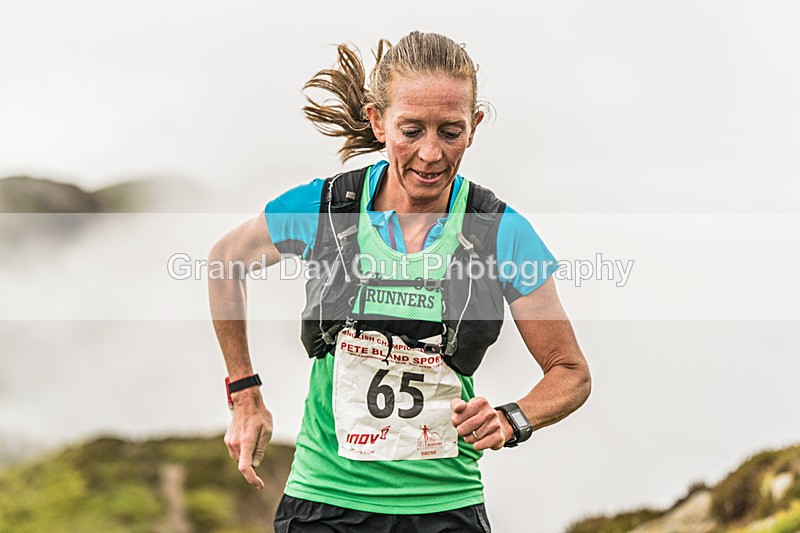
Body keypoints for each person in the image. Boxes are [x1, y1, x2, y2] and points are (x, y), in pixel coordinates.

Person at [208, 31, 591, 532]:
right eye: (411, 130)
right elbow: (224, 262)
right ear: (377, 120)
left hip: (444, 505)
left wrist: (511, 418)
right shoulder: (327, 208)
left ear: (474, 127)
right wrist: (244, 393)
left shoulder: (500, 232)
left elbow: (570, 372)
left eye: (450, 132)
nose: (431, 154)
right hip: (323, 501)